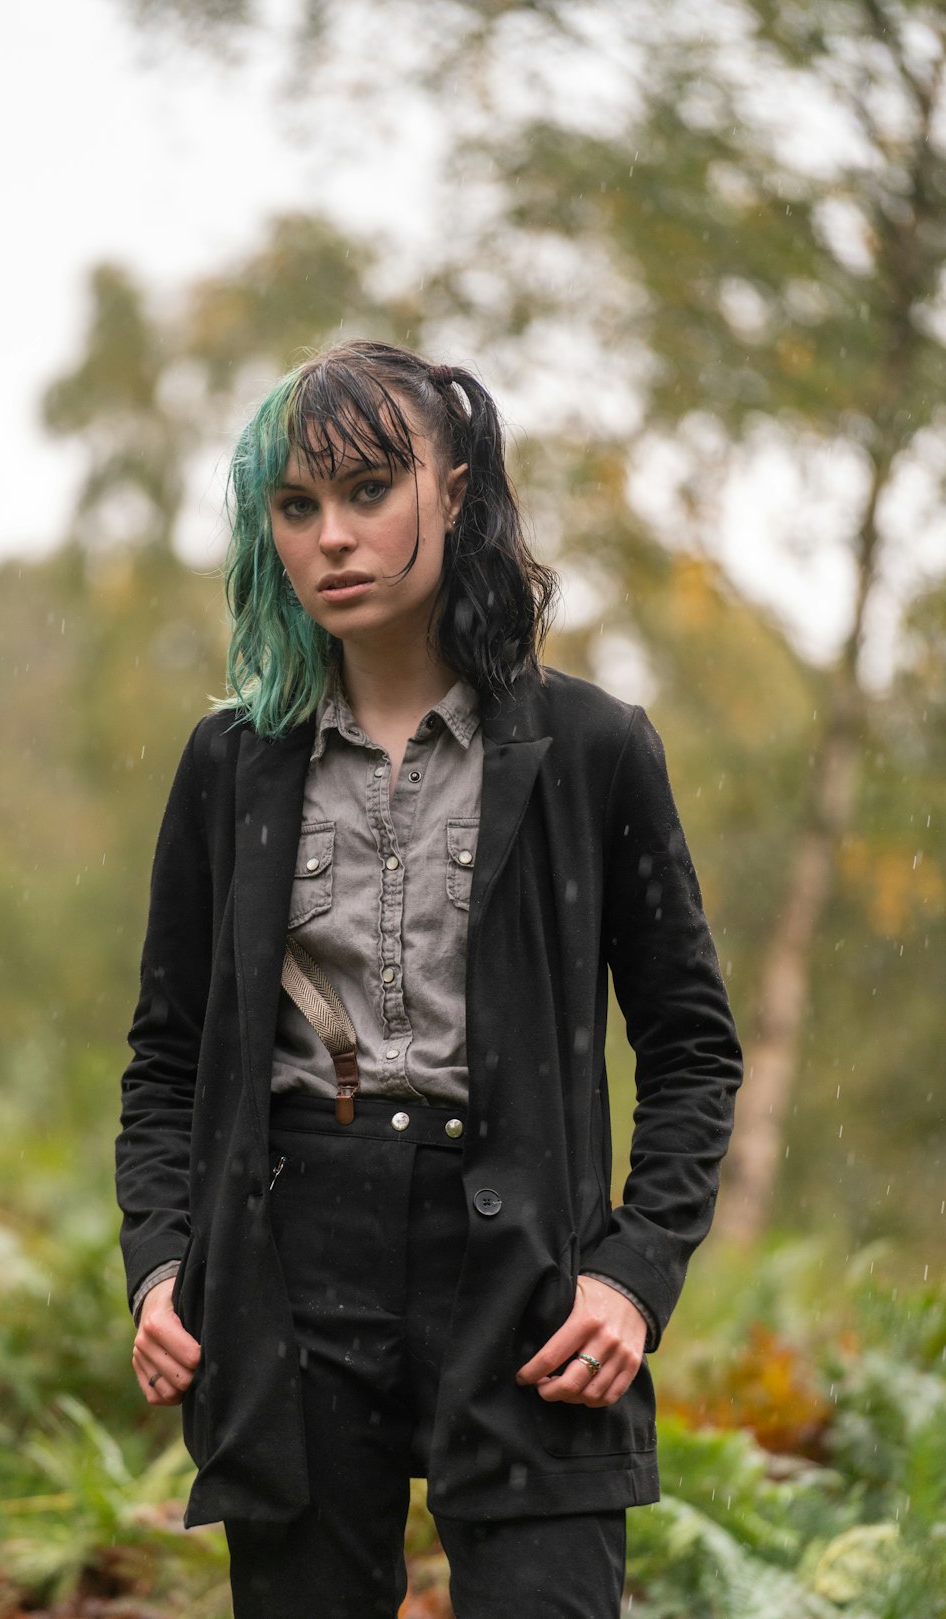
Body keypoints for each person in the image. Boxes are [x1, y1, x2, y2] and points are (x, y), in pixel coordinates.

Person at [116, 339, 742, 1618]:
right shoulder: (232, 763)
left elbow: (690, 1046)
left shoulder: (591, 749)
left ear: (456, 490)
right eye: (297, 505)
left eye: (368, 490)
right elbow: (169, 1056)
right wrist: (162, 1259)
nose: (333, 536)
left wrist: (634, 1274)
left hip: (523, 1272)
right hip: (290, 1264)